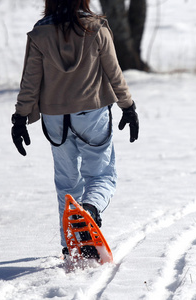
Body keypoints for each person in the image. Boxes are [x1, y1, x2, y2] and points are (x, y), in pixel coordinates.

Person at [11, 0, 139, 257]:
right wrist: (128, 107)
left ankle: (70, 246)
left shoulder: (40, 32)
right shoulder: (97, 28)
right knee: (102, 175)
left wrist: (20, 118)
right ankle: (90, 210)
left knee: (67, 183)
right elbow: (114, 74)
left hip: (54, 117)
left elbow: (30, 81)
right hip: (91, 113)